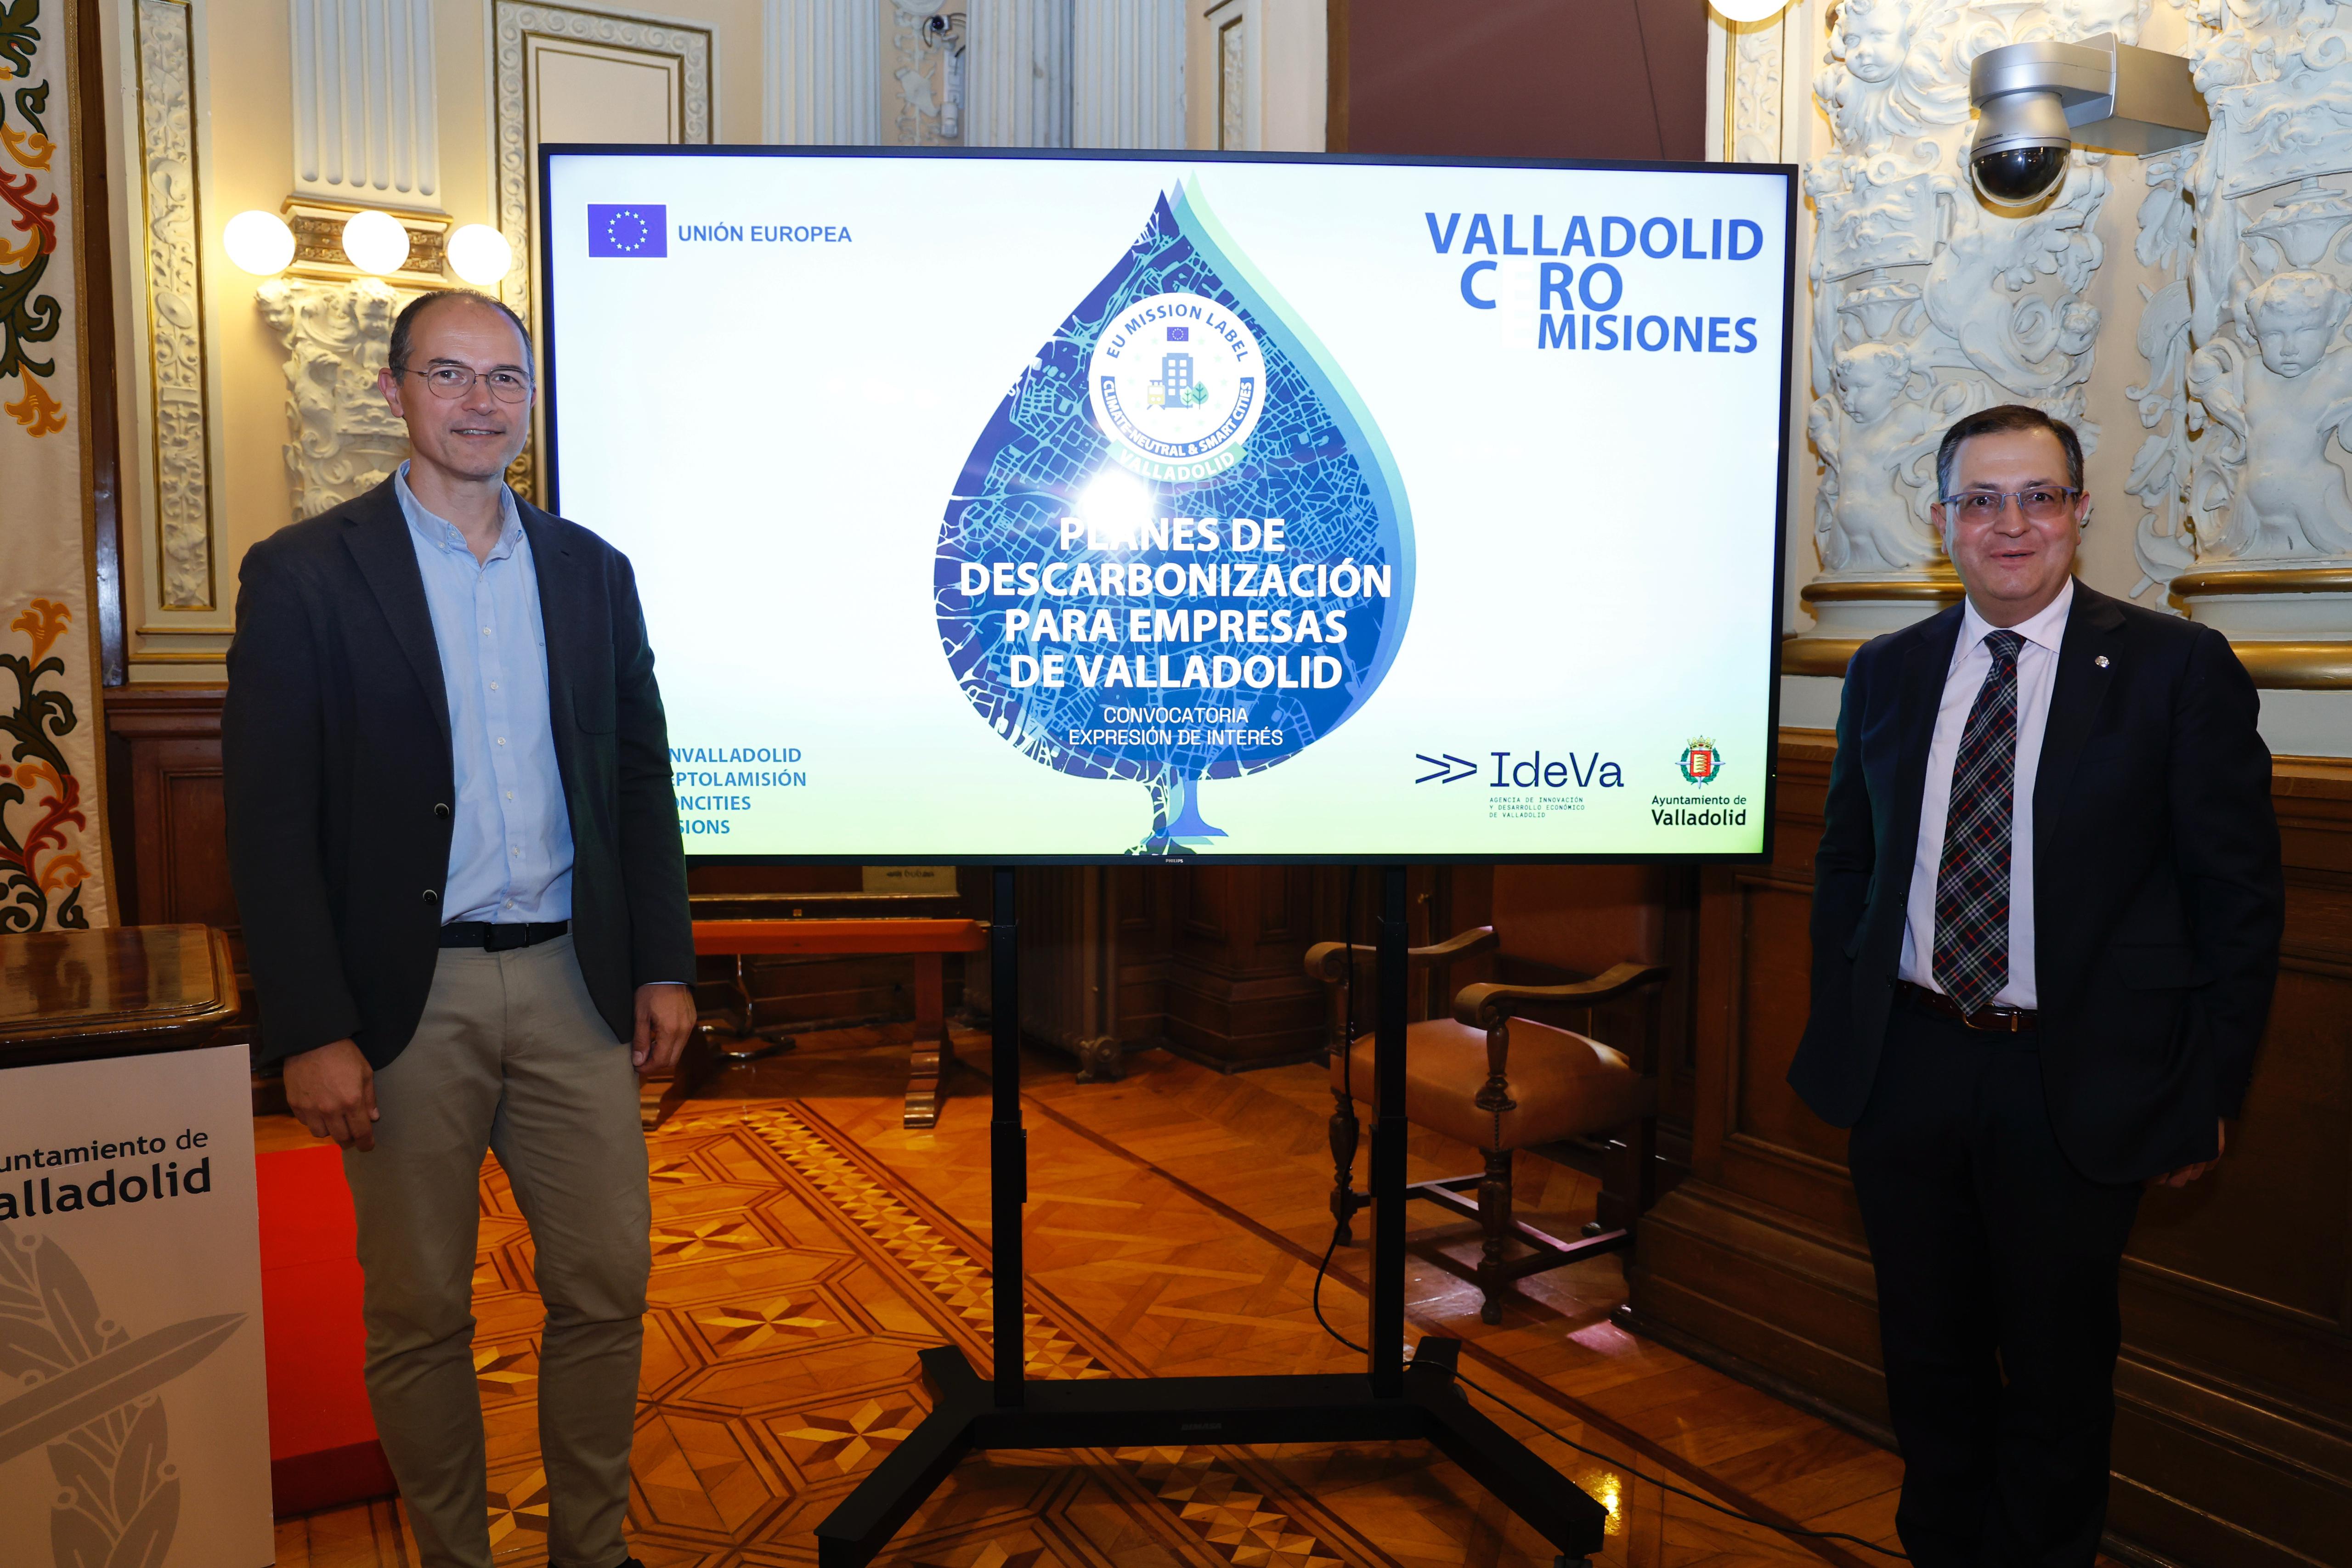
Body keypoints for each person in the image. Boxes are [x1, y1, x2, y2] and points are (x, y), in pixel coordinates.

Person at [224, 288, 698, 1568]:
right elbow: (269, 820)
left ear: (530, 402)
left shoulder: (593, 572)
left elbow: (638, 777)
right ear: (394, 392)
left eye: (504, 379)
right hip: (403, 1003)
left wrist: (664, 959)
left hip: (572, 985)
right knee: (421, 1309)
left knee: (607, 1284)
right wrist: (311, 1026)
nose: (481, 402)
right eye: (449, 374)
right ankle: (454, 1555)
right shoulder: (305, 573)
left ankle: (590, 1549)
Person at [1787, 403, 2284, 1567]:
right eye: (1981, 500)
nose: (2009, 524)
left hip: (2075, 1083)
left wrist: (2209, 1087)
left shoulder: (2174, 668)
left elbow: (2237, 897)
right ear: (1942, 521)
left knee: (2058, 1373)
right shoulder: (1887, 669)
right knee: (1926, 1359)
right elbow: (1847, 865)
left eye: (2038, 497)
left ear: (2078, 512)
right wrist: (1846, 1024)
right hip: (1906, 1066)